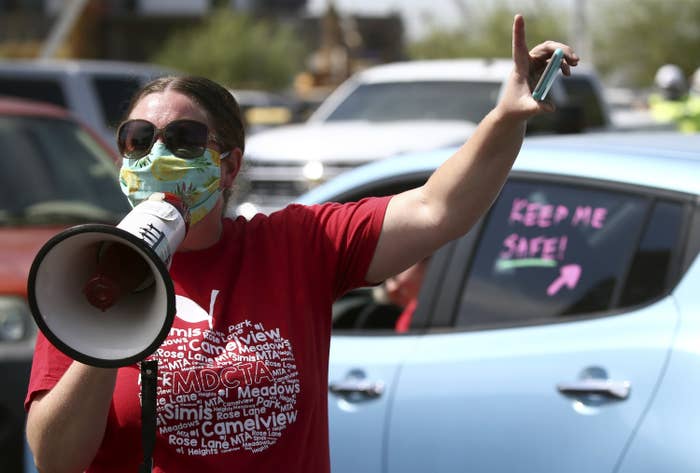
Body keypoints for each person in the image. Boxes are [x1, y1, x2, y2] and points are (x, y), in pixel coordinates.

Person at [24, 14, 578, 473]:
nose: (156, 156)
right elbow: (55, 461)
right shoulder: (84, 270)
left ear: (229, 165)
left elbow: (438, 208)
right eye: (138, 140)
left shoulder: (296, 246)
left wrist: (505, 117)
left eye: (184, 139)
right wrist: (105, 321)